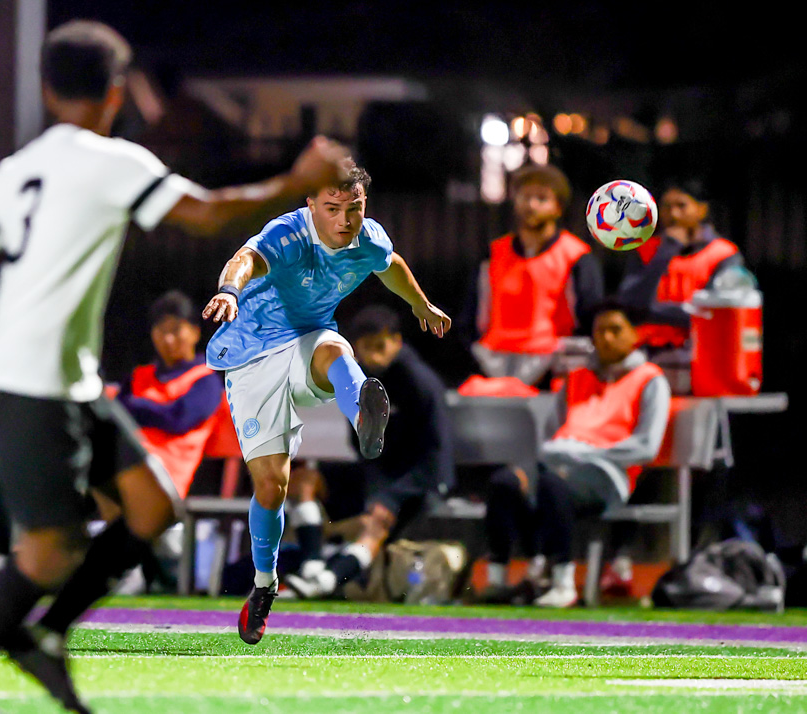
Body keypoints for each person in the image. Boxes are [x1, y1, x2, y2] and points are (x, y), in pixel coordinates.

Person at [0, 19, 352, 714]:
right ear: (116, 92)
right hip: (29, 383)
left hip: (63, 381)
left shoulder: (21, 165)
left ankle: (47, 638)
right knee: (52, 547)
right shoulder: (113, 161)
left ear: (46, 89)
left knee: (153, 508)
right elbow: (207, 215)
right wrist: (295, 182)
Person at [202, 162, 451, 644]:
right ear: (312, 204)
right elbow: (244, 258)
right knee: (272, 487)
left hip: (308, 342)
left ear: (364, 205)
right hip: (253, 356)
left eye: (353, 208)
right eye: (332, 208)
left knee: (335, 348)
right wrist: (230, 291)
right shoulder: (288, 234)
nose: (344, 220)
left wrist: (419, 303)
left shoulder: (367, 238)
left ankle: (362, 412)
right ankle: (264, 584)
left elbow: (391, 265)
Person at [482, 300, 670, 607]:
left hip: (607, 470)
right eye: (600, 331)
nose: (606, 338)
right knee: (505, 482)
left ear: (635, 334)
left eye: (615, 330)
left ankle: (562, 582)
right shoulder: (577, 377)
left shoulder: (651, 380)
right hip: (557, 461)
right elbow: (551, 432)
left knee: (553, 485)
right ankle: (497, 580)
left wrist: (590, 452)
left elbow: (647, 446)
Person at [283, 304, 455, 599]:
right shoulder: (358, 381)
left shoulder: (420, 383)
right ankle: (312, 565)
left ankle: (327, 581)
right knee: (301, 480)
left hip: (418, 484)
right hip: (376, 476)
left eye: (380, 346)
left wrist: (386, 495)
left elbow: (437, 456)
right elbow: (360, 443)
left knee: (376, 520)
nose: (374, 355)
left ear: (397, 342)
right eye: (366, 347)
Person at [457, 164, 603, 387]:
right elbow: (471, 316)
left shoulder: (576, 257)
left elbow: (590, 320)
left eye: (542, 198)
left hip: (553, 368)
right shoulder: (494, 254)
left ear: (558, 208)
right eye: (525, 197)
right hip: (491, 364)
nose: (531, 205)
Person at [113, 290, 232, 500]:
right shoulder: (139, 376)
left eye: (176, 330)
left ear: (194, 332)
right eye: (161, 330)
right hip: (124, 470)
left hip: (165, 482)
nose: (168, 339)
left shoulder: (205, 381)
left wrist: (133, 407)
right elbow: (113, 416)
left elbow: (177, 419)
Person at [617, 178, 743, 351]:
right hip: (647, 351)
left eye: (681, 206)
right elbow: (630, 305)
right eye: (666, 207)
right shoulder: (645, 250)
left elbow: (713, 313)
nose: (674, 214)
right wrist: (665, 252)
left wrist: (651, 311)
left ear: (702, 210)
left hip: (699, 350)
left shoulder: (723, 254)